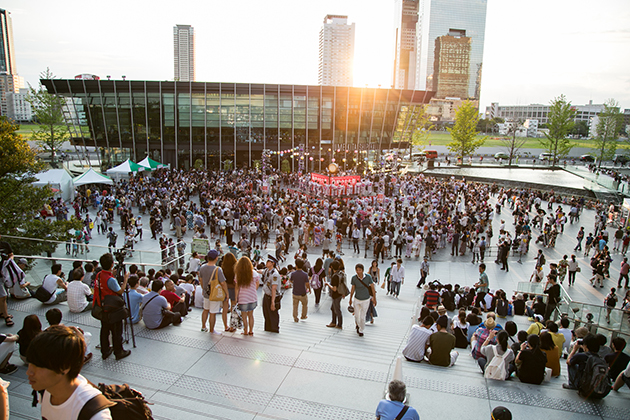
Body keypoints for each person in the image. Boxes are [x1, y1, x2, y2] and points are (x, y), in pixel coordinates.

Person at [26, 325, 112, 419]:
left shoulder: (95, 415)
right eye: (30, 363)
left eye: (38, 366)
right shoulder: (47, 390)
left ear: (65, 367)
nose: (29, 372)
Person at [93, 253, 130, 361]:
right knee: (116, 331)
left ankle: (105, 351)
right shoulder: (111, 280)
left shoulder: (99, 274)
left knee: (104, 330)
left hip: (101, 306)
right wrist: (126, 279)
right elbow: (120, 291)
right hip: (112, 309)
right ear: (112, 264)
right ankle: (119, 352)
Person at [199, 250, 229, 334]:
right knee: (212, 313)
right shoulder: (217, 270)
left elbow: (200, 279)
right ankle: (212, 330)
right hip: (214, 294)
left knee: (205, 310)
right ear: (216, 258)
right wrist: (226, 293)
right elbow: (223, 283)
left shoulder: (202, 267)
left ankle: (203, 326)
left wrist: (203, 288)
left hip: (206, 293)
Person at [349, 263, 376, 337]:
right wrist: (350, 298)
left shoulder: (368, 277)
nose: (358, 272)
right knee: (357, 316)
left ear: (363, 270)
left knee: (362, 316)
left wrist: (374, 298)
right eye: (357, 270)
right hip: (357, 298)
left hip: (366, 299)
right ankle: (358, 324)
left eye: (360, 270)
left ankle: (361, 330)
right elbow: (353, 288)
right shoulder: (354, 278)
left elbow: (372, 288)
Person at [235, 256, 258, 336]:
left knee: (244, 316)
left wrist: (236, 298)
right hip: (252, 297)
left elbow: (237, 287)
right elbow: (257, 284)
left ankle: (245, 331)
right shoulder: (254, 273)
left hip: (242, 298)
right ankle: (251, 331)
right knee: (251, 315)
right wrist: (253, 290)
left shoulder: (238, 274)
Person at [261, 255, 282, 333]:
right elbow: (261, 271)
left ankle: (274, 328)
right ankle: (268, 328)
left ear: (272, 263)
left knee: (272, 313)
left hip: (272, 297)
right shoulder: (267, 270)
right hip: (267, 295)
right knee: (266, 312)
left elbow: (274, 288)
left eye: (268, 262)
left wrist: (272, 302)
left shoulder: (275, 274)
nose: (266, 263)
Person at [325, 260, 344, 329]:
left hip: (336, 295)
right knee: (333, 308)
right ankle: (333, 322)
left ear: (332, 267)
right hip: (340, 293)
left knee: (337, 309)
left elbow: (334, 289)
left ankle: (339, 324)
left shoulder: (334, 277)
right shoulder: (340, 273)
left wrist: (328, 285)